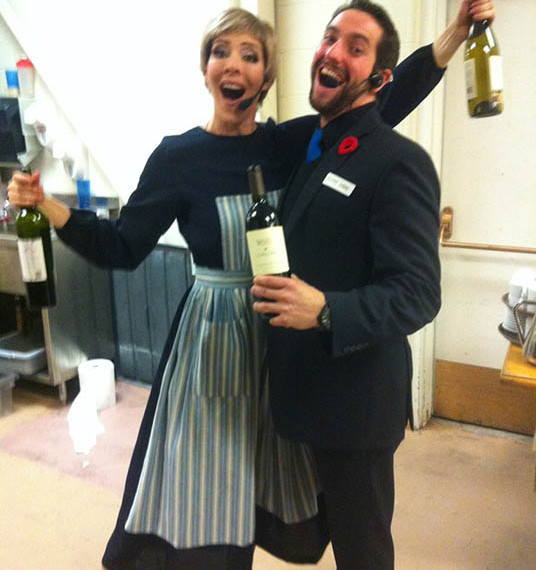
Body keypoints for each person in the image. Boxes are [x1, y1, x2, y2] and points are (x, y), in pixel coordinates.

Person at [8, 2, 495, 569]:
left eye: (250, 55)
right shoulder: (176, 158)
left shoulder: (288, 143)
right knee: (209, 493)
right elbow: (123, 245)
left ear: (266, 78)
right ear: (205, 69)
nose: (232, 65)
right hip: (213, 340)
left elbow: (381, 98)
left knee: (287, 485)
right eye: (220, 52)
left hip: (287, 338)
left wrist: (455, 35)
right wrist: (47, 205)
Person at [250, 1, 491, 568]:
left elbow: (418, 293)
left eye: (355, 48)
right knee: (311, 533)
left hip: (355, 407)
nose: (333, 52)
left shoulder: (397, 162)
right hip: (304, 393)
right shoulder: (313, 144)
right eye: (330, 37)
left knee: (363, 553)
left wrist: (327, 310)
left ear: (377, 80)